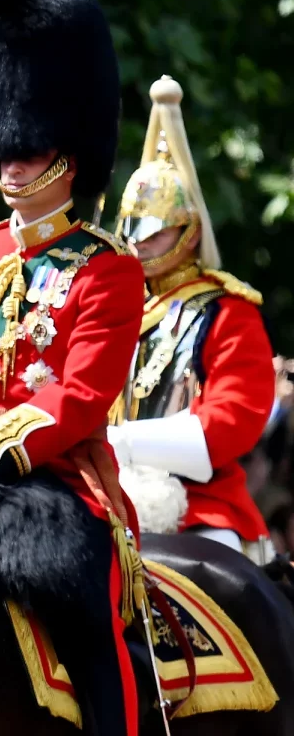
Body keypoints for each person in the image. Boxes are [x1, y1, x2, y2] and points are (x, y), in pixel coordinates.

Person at [0, 0, 145, 736]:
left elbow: (81, 397)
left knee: (83, 609)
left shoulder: (106, 268)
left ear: (69, 155)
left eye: (31, 147)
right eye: (5, 148)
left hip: (56, 480)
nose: (12, 163)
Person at [107, 75, 276, 565]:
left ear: (186, 230)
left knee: (213, 579)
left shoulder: (228, 312)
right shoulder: (111, 306)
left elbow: (231, 423)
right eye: (133, 230)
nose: (140, 243)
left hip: (196, 507)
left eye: (156, 233)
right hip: (101, 494)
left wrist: (120, 441)